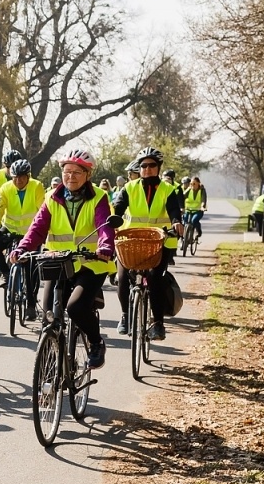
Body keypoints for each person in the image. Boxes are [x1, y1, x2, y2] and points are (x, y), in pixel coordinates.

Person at [13, 148, 116, 369]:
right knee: (48, 319)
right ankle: (49, 373)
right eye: (67, 171)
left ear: (88, 175)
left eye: (77, 172)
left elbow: (104, 225)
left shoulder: (99, 197)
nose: (71, 176)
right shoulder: (52, 198)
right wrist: (22, 248)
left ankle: (97, 343)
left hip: (91, 264)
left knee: (76, 307)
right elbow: (37, 228)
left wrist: (105, 245)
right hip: (57, 263)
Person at [111, 146, 183, 342]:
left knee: (155, 279)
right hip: (132, 243)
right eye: (143, 166)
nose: (147, 169)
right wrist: (112, 221)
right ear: (139, 168)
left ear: (159, 167)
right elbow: (117, 209)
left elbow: (174, 210)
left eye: (152, 165)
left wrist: (176, 222)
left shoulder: (168, 190)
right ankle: (126, 316)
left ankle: (158, 323)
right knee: (123, 275)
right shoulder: (129, 188)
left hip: (160, 243)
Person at [0, 157, 44, 319]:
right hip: (10, 229)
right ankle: (5, 272)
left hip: (31, 233)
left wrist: (42, 232)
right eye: (15, 177)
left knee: (30, 269)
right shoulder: (5, 188)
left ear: (28, 176)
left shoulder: (37, 186)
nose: (18, 181)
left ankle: (31, 306)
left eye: (22, 177)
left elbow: (42, 211)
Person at [182, 176, 207, 247]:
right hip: (188, 210)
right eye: (191, 184)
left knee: (194, 220)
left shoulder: (202, 190)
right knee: (185, 220)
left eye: (194, 184)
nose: (193, 185)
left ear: (198, 183)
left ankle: (198, 232)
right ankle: (185, 237)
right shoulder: (189, 189)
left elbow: (203, 200)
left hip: (198, 210)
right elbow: (182, 196)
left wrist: (202, 206)